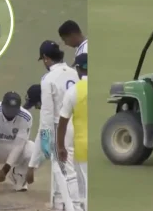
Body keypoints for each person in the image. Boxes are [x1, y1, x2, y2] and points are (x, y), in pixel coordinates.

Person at [33, 40, 82, 211]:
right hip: (78, 123)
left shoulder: (48, 79)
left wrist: (45, 139)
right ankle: (64, 203)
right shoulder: (74, 72)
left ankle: (73, 206)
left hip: (60, 127)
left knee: (63, 169)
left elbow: (46, 113)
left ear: (46, 58)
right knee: (73, 167)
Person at [23, 84, 81, 210]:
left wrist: (31, 167)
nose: (36, 107)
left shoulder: (48, 111)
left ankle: (68, 205)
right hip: (75, 133)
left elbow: (43, 136)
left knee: (61, 167)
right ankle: (62, 202)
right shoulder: (60, 99)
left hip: (68, 135)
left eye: (36, 104)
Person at [57, 53, 88, 211]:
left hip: (82, 146)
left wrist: (61, 147)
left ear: (78, 69)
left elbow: (62, 122)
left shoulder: (73, 91)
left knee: (83, 188)